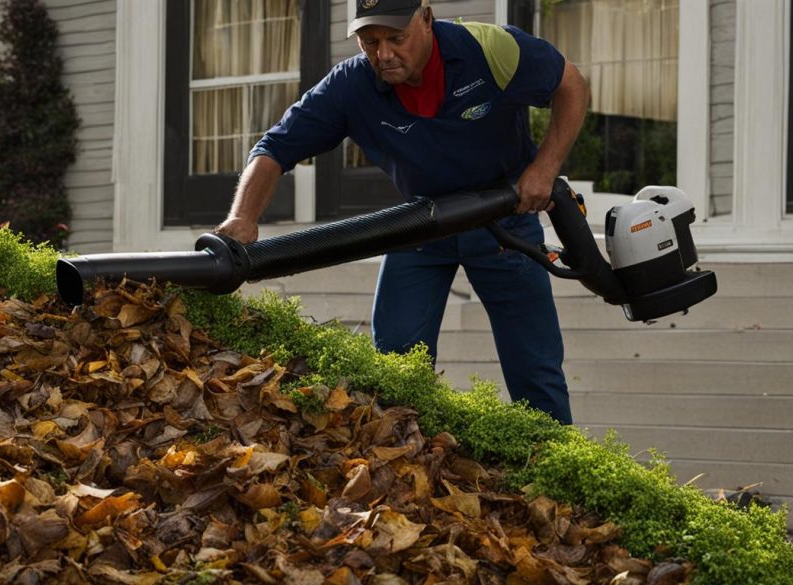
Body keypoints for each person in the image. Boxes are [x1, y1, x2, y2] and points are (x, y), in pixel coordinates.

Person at [214, 0, 589, 424]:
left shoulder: (488, 50)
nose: (384, 54)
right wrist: (242, 218)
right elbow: (274, 148)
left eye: (396, 38)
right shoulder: (352, 84)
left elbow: (571, 84)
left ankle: (554, 482)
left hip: (505, 221)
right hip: (421, 226)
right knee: (393, 369)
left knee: (535, 370)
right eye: (370, 41)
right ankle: (406, 467)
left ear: (426, 19)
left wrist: (544, 168)